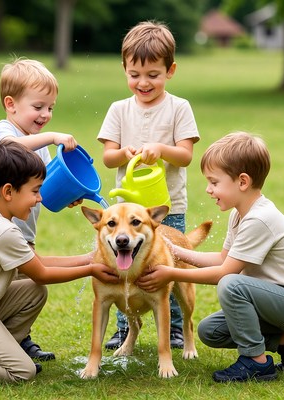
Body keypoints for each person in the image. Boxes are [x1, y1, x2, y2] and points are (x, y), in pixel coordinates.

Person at [0, 141, 119, 384]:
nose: (39, 199)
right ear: (8, 192)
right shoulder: (1, 231)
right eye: (36, 191)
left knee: (33, 293)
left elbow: (37, 263)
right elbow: (42, 273)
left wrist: (89, 258)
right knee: (22, 372)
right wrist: (91, 269)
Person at [137, 132, 284, 382]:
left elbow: (225, 272)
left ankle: (256, 362)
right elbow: (223, 258)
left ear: (242, 182)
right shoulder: (240, 214)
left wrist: (170, 273)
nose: (208, 189)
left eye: (214, 182)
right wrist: (178, 252)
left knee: (230, 284)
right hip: (274, 301)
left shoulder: (259, 218)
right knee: (210, 331)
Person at [97, 20, 200, 350]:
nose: (143, 82)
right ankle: (123, 327)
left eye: (153, 75)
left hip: (166, 209)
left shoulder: (178, 108)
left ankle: (173, 328)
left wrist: (161, 150)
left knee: (165, 271)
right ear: (124, 69)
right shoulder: (118, 109)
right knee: (120, 267)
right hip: (127, 213)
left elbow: (184, 156)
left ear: (170, 71)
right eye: (134, 74)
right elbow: (107, 157)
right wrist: (124, 153)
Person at [0, 57, 80, 361]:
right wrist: (53, 136)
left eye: (51, 108)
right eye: (38, 107)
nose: (46, 114)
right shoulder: (3, 130)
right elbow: (12, 150)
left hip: (22, 234)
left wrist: (66, 193)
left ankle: (17, 337)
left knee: (24, 288)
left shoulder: (39, 146)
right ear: (11, 103)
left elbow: (40, 187)